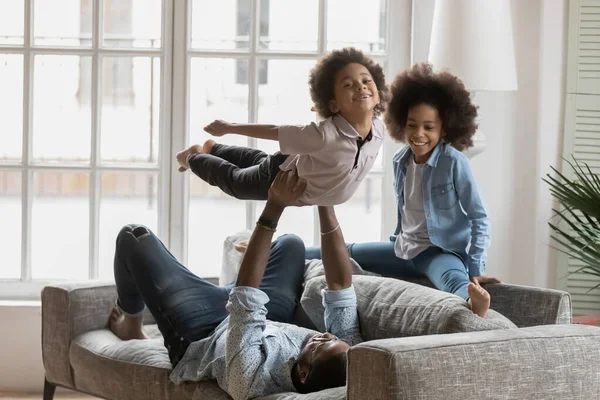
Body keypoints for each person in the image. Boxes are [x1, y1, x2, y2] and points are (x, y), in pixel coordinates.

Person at [107, 170, 362, 399]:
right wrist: (325, 201)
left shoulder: (250, 379)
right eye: (331, 337)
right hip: (263, 314)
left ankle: (131, 323)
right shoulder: (344, 355)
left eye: (321, 345)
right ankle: (251, 262)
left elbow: (245, 297)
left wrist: (275, 204)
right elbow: (340, 283)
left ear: (303, 374)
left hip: (203, 330)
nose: (325, 335)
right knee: (291, 244)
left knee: (133, 235)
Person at [305, 63, 499, 318]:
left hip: (440, 252)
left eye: (429, 127)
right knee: (346, 249)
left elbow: (479, 217)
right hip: (403, 250)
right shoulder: (400, 160)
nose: (419, 134)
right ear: (400, 124)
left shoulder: (453, 162)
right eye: (411, 125)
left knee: (453, 281)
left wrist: (475, 265)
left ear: (445, 129)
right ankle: (280, 248)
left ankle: (475, 305)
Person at [175, 47, 389, 206]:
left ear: (378, 93)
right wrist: (230, 127)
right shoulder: (324, 135)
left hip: (292, 163)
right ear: (333, 103)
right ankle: (193, 156)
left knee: (259, 161)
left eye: (366, 81)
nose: (361, 86)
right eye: (348, 85)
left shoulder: (378, 130)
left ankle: (214, 149)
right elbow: (274, 131)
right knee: (237, 182)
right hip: (280, 177)